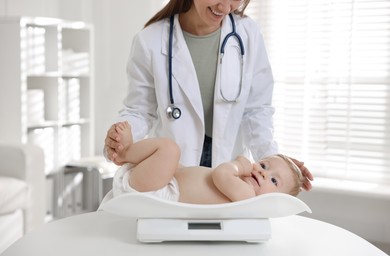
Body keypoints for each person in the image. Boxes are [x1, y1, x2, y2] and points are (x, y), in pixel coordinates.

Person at [105, 0, 313, 191]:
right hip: (172, 171)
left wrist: (275, 160)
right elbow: (139, 110)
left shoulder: (248, 33)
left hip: (230, 170)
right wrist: (120, 140)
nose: (226, 7)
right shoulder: (150, 40)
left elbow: (256, 111)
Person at [112, 121, 305, 204]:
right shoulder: (243, 185)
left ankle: (126, 152)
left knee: (170, 149)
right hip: (166, 182)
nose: (264, 173)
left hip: (160, 191)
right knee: (172, 158)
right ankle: (129, 152)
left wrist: (238, 164)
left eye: (274, 181)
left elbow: (220, 174)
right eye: (264, 165)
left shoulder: (247, 195)